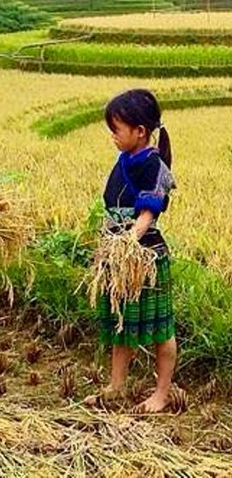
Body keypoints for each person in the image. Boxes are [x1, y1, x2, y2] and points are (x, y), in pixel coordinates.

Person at [86, 88, 176, 413]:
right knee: (120, 322)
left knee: (161, 329)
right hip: (118, 254)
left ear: (139, 131)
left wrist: (127, 243)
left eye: (116, 129)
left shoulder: (154, 165)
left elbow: (147, 213)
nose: (112, 135)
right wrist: (108, 246)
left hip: (143, 258)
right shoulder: (125, 159)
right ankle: (116, 386)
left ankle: (161, 394)